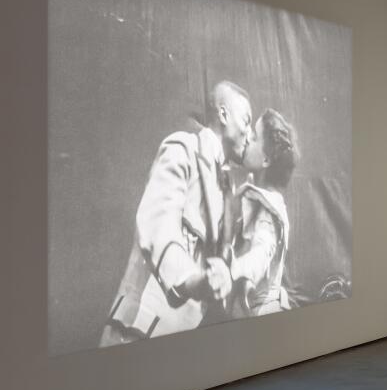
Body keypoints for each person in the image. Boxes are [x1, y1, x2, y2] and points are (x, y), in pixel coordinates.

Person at [100, 81, 253, 346]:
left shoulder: (229, 188)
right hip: (138, 333)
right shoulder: (182, 149)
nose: (250, 133)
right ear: (224, 114)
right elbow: (158, 226)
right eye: (246, 120)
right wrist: (194, 281)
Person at [227, 109, 297, 318]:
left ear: (266, 160)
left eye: (255, 137)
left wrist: (245, 276)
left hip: (265, 313)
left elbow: (263, 248)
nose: (247, 137)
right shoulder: (250, 196)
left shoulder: (270, 205)